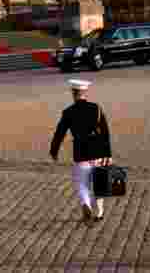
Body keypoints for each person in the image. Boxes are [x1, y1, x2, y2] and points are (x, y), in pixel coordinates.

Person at [49, 79, 113, 223]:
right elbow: (105, 132)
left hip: (81, 152)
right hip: (98, 151)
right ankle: (100, 213)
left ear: (73, 93)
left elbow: (59, 133)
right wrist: (108, 154)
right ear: (85, 92)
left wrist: (54, 150)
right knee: (99, 183)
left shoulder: (68, 112)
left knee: (82, 183)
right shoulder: (96, 108)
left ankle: (86, 204)